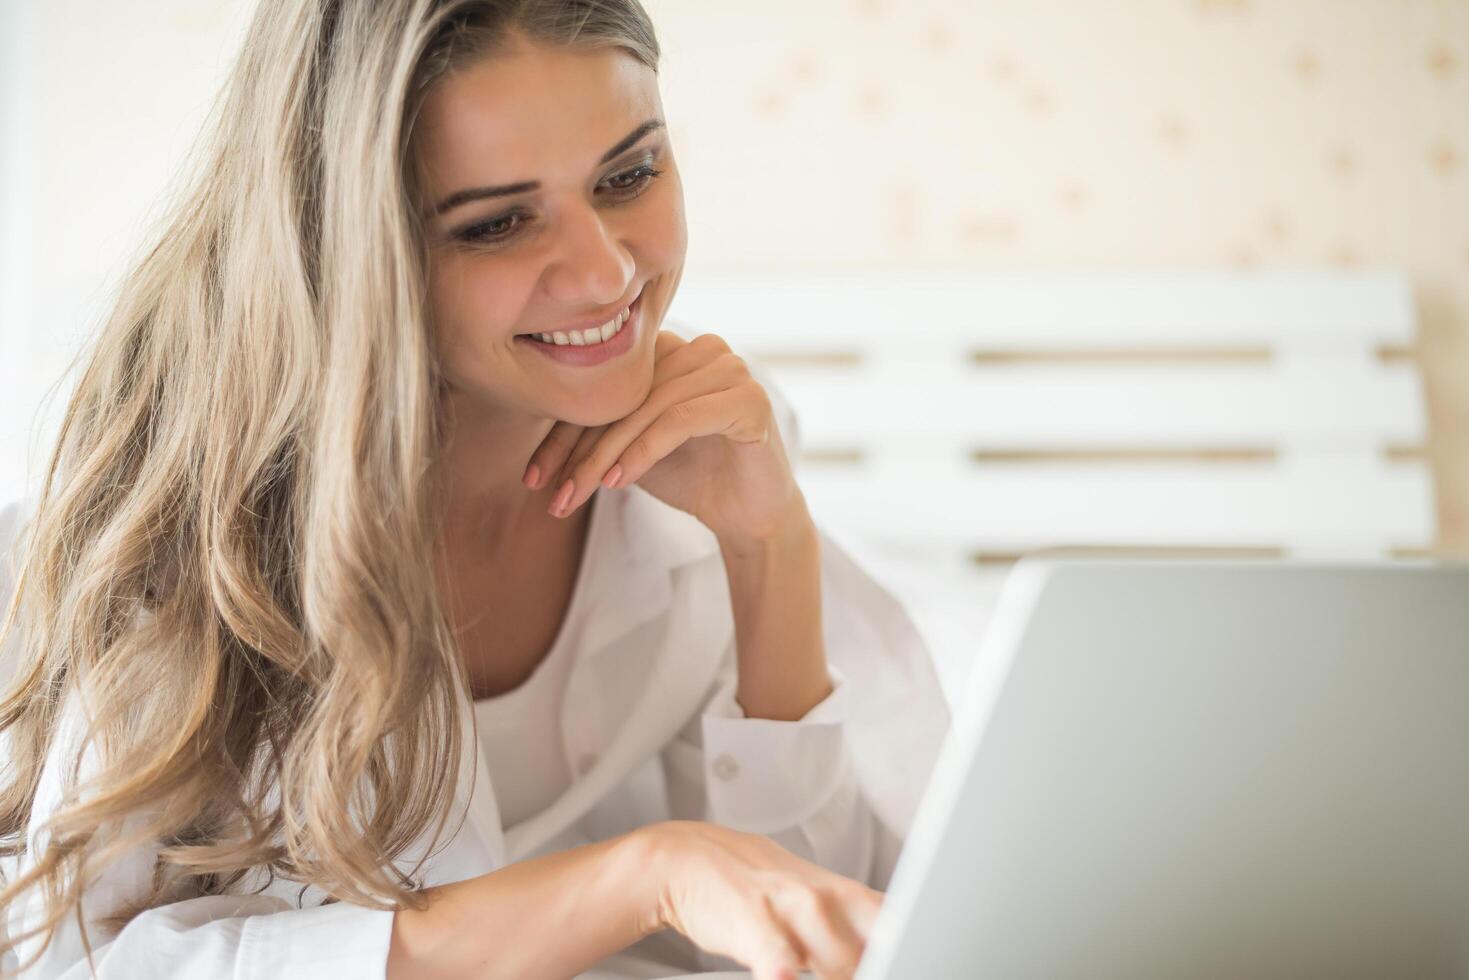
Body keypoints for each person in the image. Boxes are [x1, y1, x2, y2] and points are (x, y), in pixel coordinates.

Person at [0, 1, 949, 977]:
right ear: (353, 249)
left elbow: (817, 924)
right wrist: (644, 874)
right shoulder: (199, 535)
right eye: (497, 223)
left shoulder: (704, 458)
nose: (604, 272)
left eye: (628, 174)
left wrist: (769, 549)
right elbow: (85, 962)